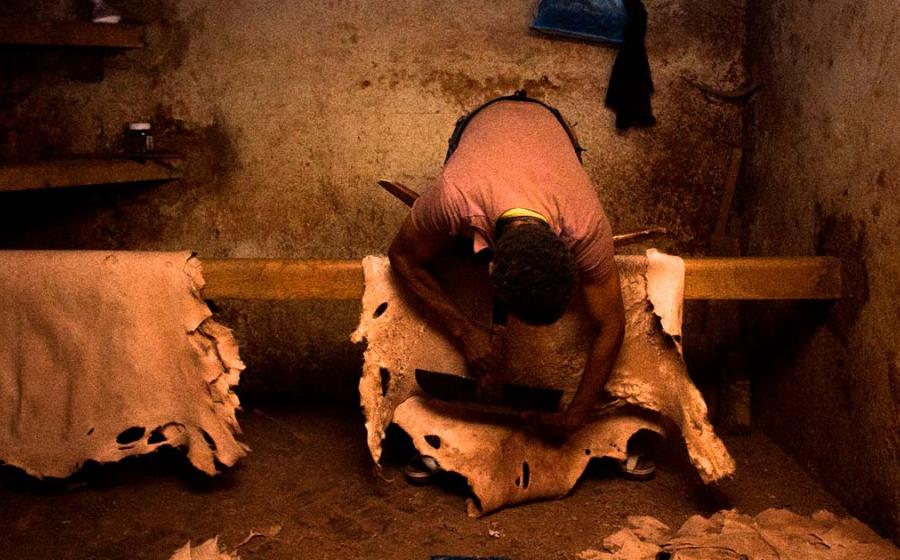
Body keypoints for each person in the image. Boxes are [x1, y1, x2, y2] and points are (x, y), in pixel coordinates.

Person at [388, 92, 626, 439]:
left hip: (553, 126)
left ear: (566, 249)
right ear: (490, 268)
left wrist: (576, 416)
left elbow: (612, 323)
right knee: (452, 249)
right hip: (483, 118)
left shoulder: (585, 224)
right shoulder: (455, 196)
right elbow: (402, 257)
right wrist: (465, 331)